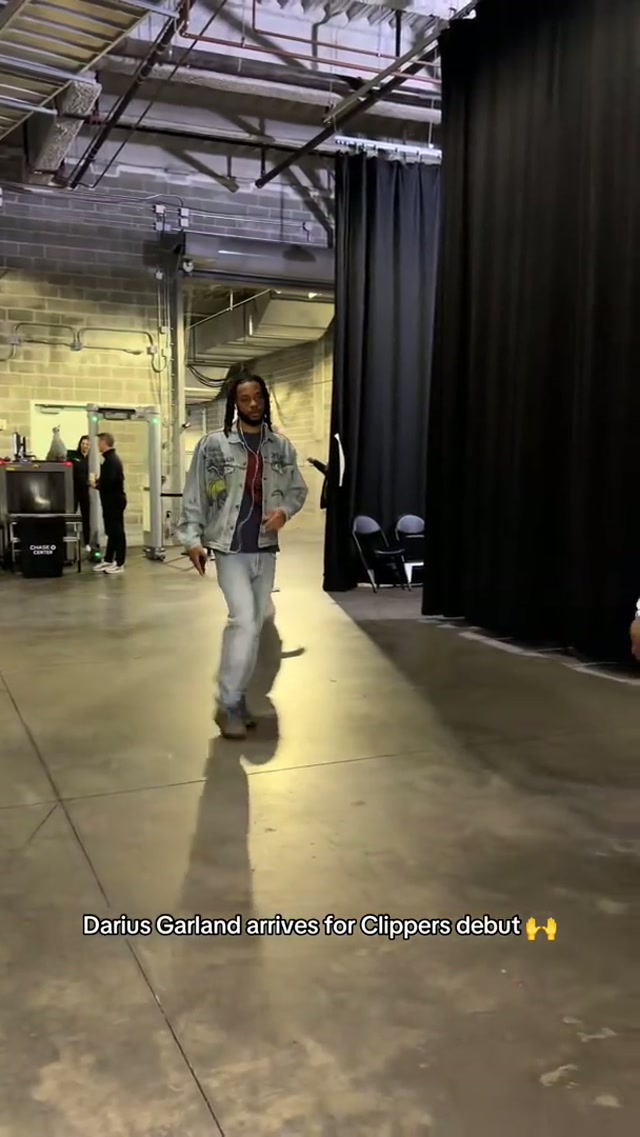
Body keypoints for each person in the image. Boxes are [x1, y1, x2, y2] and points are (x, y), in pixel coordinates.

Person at [177, 373, 308, 739]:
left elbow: (297, 490)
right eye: (245, 399)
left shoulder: (280, 448)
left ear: (265, 400)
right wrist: (191, 540)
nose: (252, 405)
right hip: (228, 548)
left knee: (255, 626)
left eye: (258, 398)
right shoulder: (213, 446)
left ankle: (238, 696)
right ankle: (229, 702)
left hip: (265, 549)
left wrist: (284, 512)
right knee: (244, 621)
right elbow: (195, 494)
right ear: (235, 404)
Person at [93, 432, 127, 575]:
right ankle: (108, 559)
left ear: (104, 442)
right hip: (109, 501)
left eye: (99, 442)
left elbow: (110, 482)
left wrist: (96, 484)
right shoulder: (108, 460)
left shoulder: (112, 460)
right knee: (111, 532)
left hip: (114, 501)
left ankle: (119, 563)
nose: (97, 445)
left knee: (117, 532)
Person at [72, 435, 91, 551]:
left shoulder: (91, 459)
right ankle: (70, 540)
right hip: (74, 490)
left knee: (86, 516)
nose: (84, 446)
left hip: (85, 491)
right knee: (72, 514)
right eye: (83, 443)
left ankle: (87, 542)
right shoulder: (74, 456)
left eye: (87, 444)